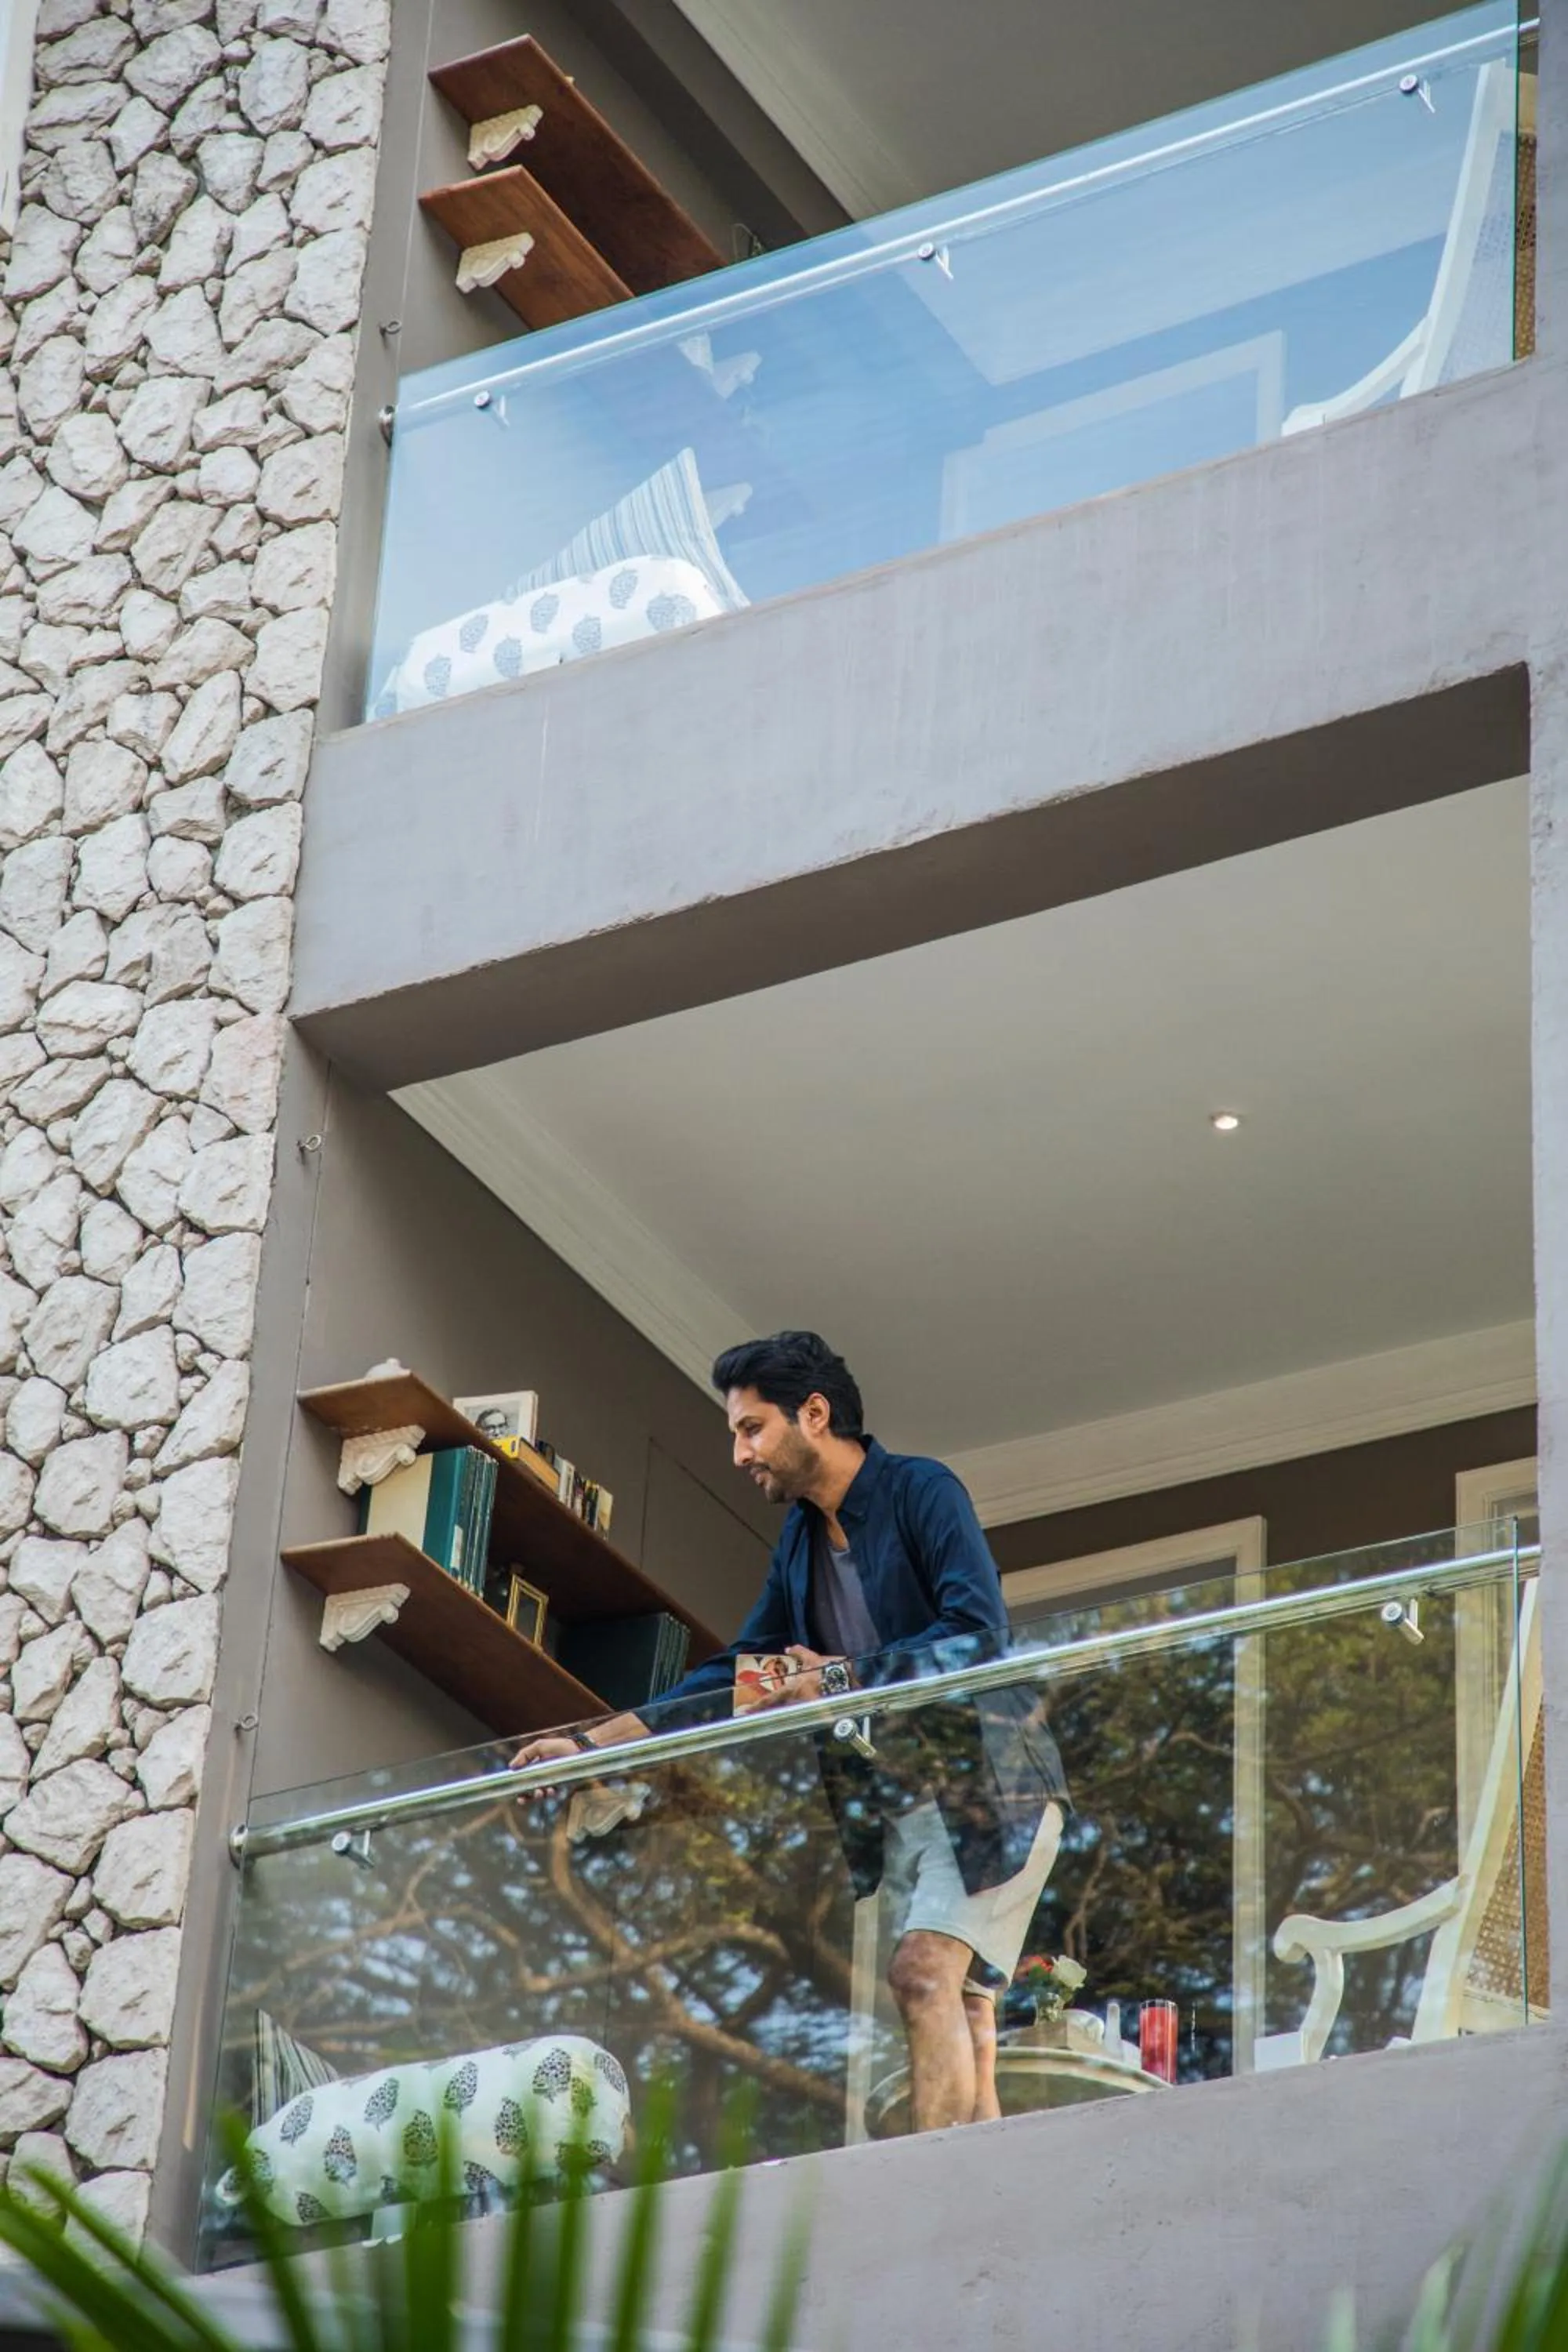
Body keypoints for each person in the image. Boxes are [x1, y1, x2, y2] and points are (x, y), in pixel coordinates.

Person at [513, 1330, 1068, 2133]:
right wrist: (595, 1745)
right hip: (907, 1804)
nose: (738, 1454)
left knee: (920, 1976)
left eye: (750, 1428)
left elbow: (979, 1635)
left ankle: (932, 2192)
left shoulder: (921, 1491)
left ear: (813, 1414)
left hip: (994, 1785)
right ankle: (980, 2193)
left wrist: (838, 1676)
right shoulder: (800, 1544)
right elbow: (738, 1671)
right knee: (961, 2003)